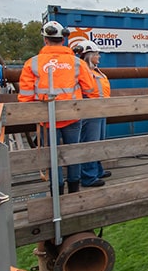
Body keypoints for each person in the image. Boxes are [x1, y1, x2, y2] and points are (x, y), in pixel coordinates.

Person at [18, 21, 98, 194]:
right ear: (63, 40)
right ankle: (74, 191)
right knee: (72, 154)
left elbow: (24, 96)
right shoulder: (76, 63)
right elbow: (91, 89)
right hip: (72, 116)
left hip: (46, 118)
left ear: (45, 40)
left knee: (52, 157)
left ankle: (57, 193)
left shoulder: (32, 63)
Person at [77, 41, 111, 187]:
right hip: (90, 108)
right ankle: (88, 176)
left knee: (99, 141)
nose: (99, 57)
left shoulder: (95, 70)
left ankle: (97, 170)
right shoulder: (83, 70)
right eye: (96, 54)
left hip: (100, 108)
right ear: (89, 55)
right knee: (90, 141)